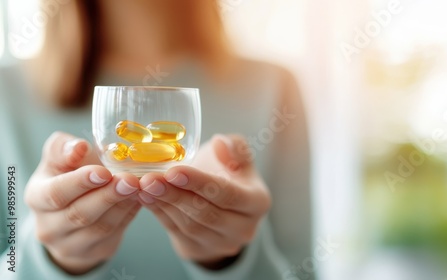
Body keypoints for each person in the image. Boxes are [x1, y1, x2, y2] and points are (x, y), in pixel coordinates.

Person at [0, 0, 312, 279]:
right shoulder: (7, 92)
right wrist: (52, 261)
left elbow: (304, 272)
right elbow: (8, 263)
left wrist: (231, 261)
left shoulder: (273, 86)